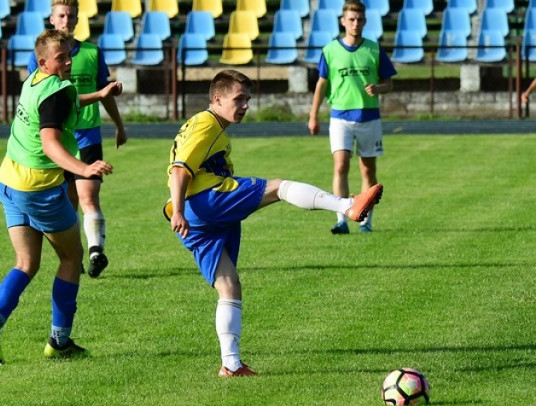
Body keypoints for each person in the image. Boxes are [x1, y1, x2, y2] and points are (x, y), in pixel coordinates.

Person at [165, 69, 383, 377]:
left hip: (195, 215)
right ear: (217, 99)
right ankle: (348, 205)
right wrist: (179, 211)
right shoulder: (206, 124)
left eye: (248, 100)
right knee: (279, 187)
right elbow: (179, 170)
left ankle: (231, 364)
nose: (244, 106)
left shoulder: (209, 126)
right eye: (238, 99)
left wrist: (178, 210)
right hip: (204, 200)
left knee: (229, 286)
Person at [0, 29, 122, 366]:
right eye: (62, 58)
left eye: (70, 54)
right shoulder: (57, 92)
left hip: (8, 182)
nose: (69, 61)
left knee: (26, 263)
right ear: (44, 61)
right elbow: (51, 145)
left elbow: (62, 103)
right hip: (39, 189)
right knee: (72, 259)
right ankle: (59, 341)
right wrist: (84, 169)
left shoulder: (34, 81)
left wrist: (99, 94)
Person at [28, 0, 128, 278]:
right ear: (52, 19)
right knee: (68, 200)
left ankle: (96, 250)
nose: (66, 20)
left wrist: (119, 125)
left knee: (88, 196)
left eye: (71, 15)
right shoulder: (41, 56)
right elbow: (35, 97)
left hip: (87, 134)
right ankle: (75, 255)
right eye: (61, 15)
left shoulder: (93, 52)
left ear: (77, 18)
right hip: (60, 137)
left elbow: (104, 93)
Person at [308, 0, 396, 235]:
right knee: (340, 165)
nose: (355, 23)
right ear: (343, 21)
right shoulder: (330, 50)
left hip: (369, 117)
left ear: (365, 22)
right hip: (340, 117)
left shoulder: (374, 49)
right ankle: (342, 219)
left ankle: (365, 220)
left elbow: (389, 84)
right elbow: (321, 84)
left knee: (367, 170)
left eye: (359, 19)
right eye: (351, 19)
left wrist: (379, 88)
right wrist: (313, 115)